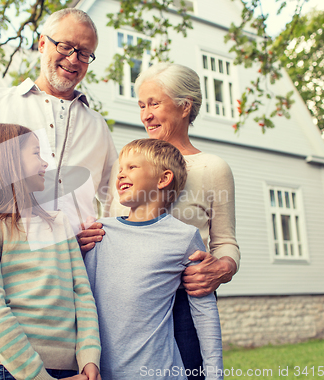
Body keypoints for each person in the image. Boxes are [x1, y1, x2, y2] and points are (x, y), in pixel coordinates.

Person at [0, 9, 117, 380]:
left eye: (85, 53)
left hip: (70, 296)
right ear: (41, 44)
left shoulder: (97, 126)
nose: (74, 59)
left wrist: (102, 234)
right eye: (65, 47)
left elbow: (117, 200)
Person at [78, 62, 240, 379]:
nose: (146, 115)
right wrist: (90, 239)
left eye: (154, 103)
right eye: (141, 105)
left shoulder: (212, 168)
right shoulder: (128, 167)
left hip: (185, 300)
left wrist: (222, 268)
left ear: (184, 106)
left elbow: (225, 241)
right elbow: (113, 224)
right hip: (127, 304)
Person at [0, 123, 101, 380]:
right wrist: (39, 377)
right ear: (6, 161)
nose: (45, 164)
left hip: (73, 371)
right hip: (11, 371)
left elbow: (82, 294)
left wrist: (89, 359)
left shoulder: (59, 223)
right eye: (36, 153)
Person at [84, 139, 223, 380]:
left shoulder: (184, 237)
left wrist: (214, 375)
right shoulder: (98, 233)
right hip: (100, 374)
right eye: (120, 169)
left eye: (131, 167)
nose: (120, 175)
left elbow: (205, 314)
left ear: (163, 179)